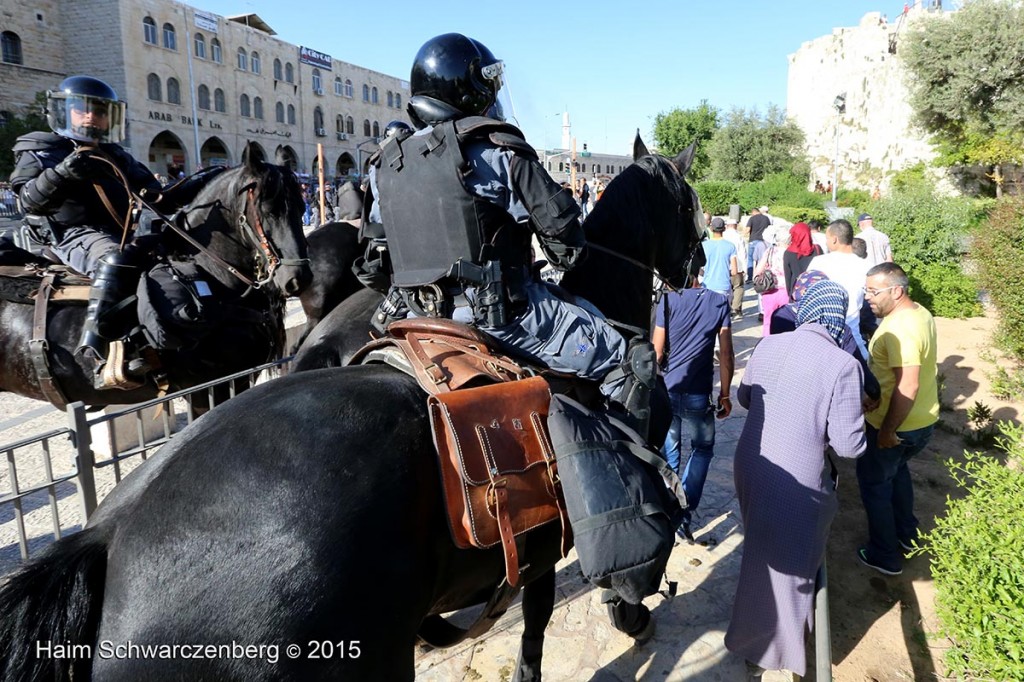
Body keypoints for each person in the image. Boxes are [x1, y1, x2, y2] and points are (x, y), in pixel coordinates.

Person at [365, 33, 651, 429]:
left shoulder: (384, 164)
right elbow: (567, 244)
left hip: (408, 312)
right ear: (468, 88)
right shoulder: (497, 151)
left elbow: (370, 265)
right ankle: (631, 486)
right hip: (501, 316)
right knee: (629, 362)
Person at [9, 75, 213, 387]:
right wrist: (61, 173)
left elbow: (157, 198)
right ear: (64, 111)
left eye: (101, 111)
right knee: (115, 258)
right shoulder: (41, 147)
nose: (92, 116)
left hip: (118, 231)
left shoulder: (115, 154)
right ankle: (97, 352)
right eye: (83, 109)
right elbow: (27, 202)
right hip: (71, 234)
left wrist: (205, 182)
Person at [725, 280, 866, 680]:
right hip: (797, 480)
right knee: (791, 568)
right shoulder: (843, 365)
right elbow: (849, 446)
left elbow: (746, 399)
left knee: (761, 551)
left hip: (753, 465)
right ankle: (769, 649)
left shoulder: (769, 344)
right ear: (837, 317)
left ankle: (758, 636)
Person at [857, 262, 938, 576]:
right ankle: (907, 534)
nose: (867, 298)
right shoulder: (921, 313)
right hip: (921, 422)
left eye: (874, 292)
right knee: (897, 472)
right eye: (866, 290)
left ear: (897, 290)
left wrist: (888, 430)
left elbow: (908, 383)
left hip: (895, 425)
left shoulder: (899, 329)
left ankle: (884, 555)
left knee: (875, 485)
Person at [652, 259, 734, 542]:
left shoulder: (666, 301)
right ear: (698, 274)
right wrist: (725, 393)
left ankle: (670, 510)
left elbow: (657, 352)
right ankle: (685, 513)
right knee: (702, 450)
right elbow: (726, 354)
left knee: (670, 454)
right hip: (700, 394)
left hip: (669, 390)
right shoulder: (719, 303)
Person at [807, 219, 871, 357]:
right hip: (853, 336)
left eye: (827, 238)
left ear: (835, 239)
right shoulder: (865, 266)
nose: (826, 242)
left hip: (823, 337)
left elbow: (806, 294)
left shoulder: (819, 262)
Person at [753, 229, 789, 337]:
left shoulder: (770, 251)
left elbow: (758, 270)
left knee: (768, 320)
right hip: (785, 290)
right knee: (786, 320)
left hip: (770, 289)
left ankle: (767, 342)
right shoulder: (791, 253)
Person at [701, 217, 738, 300]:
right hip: (724, 286)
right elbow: (734, 271)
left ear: (711, 228)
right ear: (724, 229)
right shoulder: (730, 246)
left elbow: (698, 269)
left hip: (708, 285)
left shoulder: (704, 246)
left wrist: (706, 273)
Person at [782, 222, 820, 301]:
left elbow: (788, 276)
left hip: (796, 290)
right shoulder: (817, 249)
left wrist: (789, 293)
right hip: (815, 290)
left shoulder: (788, 253)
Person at [722, 217, 746, 318]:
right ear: (735, 226)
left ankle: (726, 308)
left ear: (727, 226)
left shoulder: (723, 236)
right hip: (737, 266)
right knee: (738, 287)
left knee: (726, 288)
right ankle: (736, 308)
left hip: (724, 266)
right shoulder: (739, 237)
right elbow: (742, 253)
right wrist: (744, 269)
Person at [745, 206, 771, 280]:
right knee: (761, 259)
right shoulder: (766, 218)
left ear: (753, 212)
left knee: (750, 259)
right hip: (763, 241)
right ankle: (759, 276)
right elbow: (769, 229)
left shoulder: (752, 218)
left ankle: (750, 277)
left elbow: (747, 230)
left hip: (753, 240)